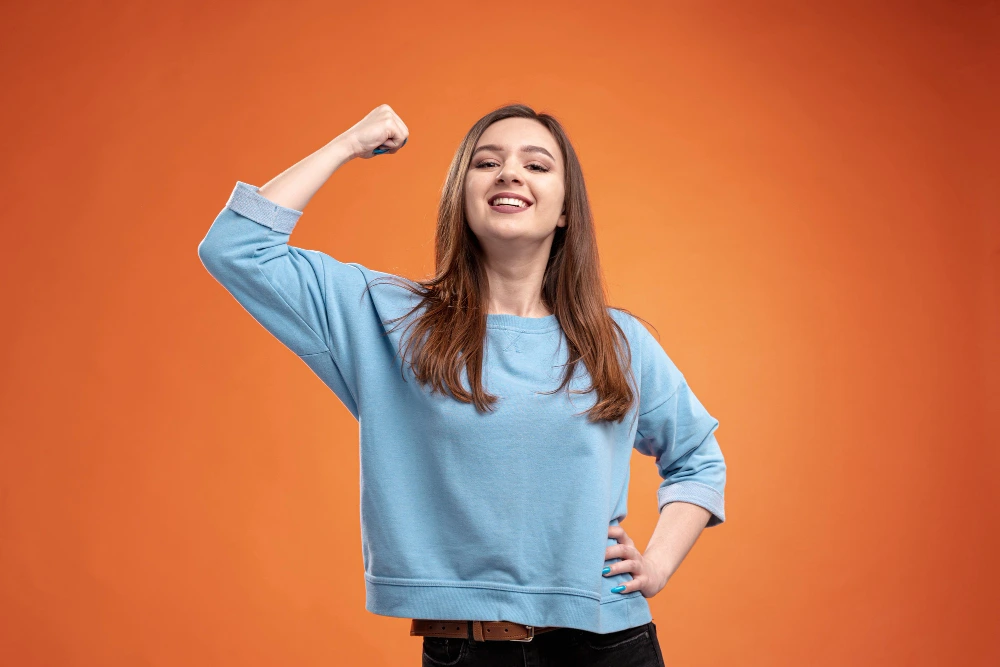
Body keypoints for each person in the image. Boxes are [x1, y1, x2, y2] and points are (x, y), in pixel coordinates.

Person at [197, 103, 726, 666]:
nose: (510, 173)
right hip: (463, 651)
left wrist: (659, 564)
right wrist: (348, 143)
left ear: (567, 209)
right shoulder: (391, 318)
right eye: (487, 161)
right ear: (460, 194)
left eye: (537, 164)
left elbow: (698, 458)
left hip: (609, 646)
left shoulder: (618, 341)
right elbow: (236, 247)